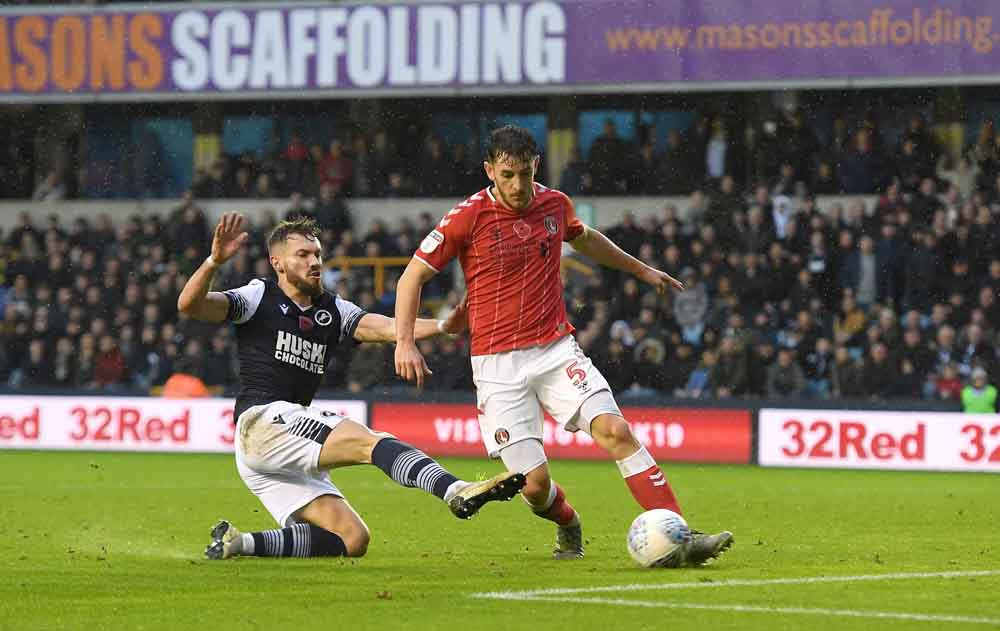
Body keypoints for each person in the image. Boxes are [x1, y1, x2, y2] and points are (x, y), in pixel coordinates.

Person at [393, 126, 732, 567]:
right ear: (490, 171)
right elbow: (411, 277)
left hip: (555, 350)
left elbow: (585, 238)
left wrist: (641, 270)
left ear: (537, 166)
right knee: (533, 486)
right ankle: (568, 521)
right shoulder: (467, 217)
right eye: (508, 175)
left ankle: (681, 535)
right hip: (497, 365)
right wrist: (405, 342)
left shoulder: (555, 204)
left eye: (526, 173)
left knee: (616, 431)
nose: (518, 185)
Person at [177, 213, 525, 560]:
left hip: (277, 442)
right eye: (303, 255)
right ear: (277, 262)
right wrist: (214, 262)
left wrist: (444, 326)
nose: (314, 262)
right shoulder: (258, 296)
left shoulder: (332, 310)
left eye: (317, 254)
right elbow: (190, 305)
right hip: (264, 422)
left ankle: (238, 543)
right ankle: (455, 490)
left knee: (352, 539)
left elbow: (386, 327)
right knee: (369, 442)